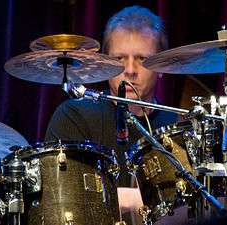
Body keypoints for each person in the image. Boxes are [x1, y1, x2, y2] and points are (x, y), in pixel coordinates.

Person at [45, 5, 178, 224]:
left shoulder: (177, 125)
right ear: (105, 63)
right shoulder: (74, 115)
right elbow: (63, 199)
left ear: (161, 66)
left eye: (142, 59)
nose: (130, 69)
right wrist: (141, 200)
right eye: (119, 58)